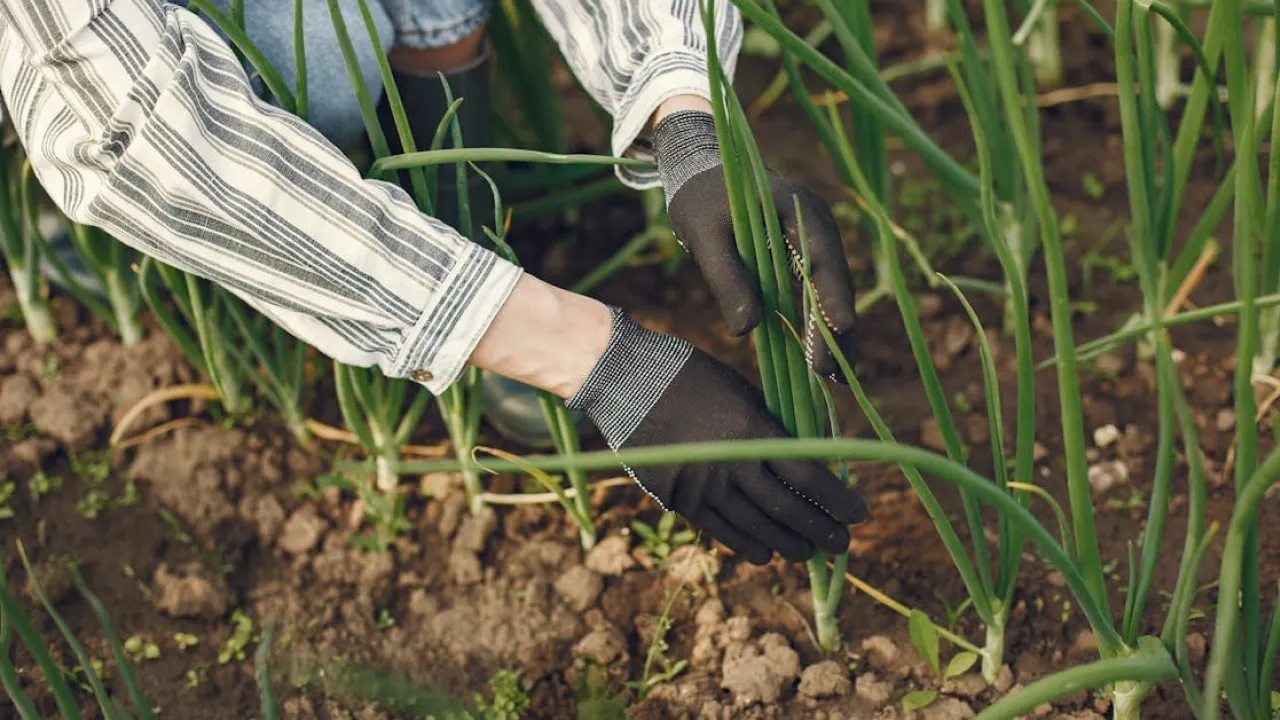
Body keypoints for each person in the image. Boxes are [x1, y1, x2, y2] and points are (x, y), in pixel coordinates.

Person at [0, 0, 868, 566]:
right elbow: (149, 139)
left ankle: (453, 236)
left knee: (340, 42)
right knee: (324, 62)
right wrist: (605, 362)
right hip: (82, 61)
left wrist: (687, 122)